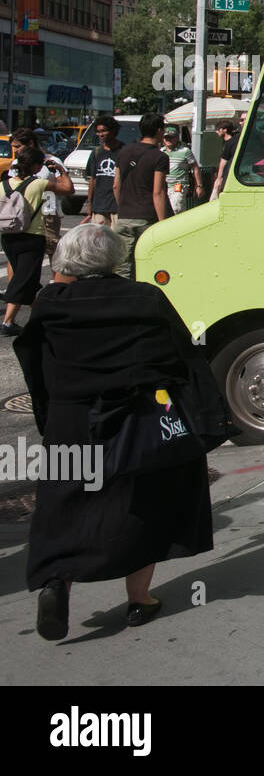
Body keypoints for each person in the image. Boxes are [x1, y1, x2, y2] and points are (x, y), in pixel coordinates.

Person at [15, 224, 216, 639]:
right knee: (144, 505)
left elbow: (36, 363)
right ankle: (139, 601)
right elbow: (178, 356)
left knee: (63, 507)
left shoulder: (51, 303)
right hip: (137, 419)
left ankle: (56, 582)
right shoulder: (145, 298)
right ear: (114, 259)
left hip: (71, 421)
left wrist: (50, 415)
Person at [1, 147, 74, 337]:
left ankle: (39, 318)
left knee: (29, 279)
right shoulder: (39, 184)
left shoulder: (3, 184)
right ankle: (7, 322)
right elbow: (68, 190)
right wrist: (62, 172)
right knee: (23, 280)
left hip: (8, 237)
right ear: (35, 166)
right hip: (32, 238)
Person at [111, 112, 170, 280]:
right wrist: (162, 223)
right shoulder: (160, 157)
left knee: (122, 266)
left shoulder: (123, 152)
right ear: (159, 130)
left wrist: (122, 206)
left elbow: (116, 185)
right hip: (147, 217)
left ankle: (121, 298)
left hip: (124, 216)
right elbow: (158, 191)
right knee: (147, 263)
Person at [7, 128, 67, 268]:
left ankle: (56, 285)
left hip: (48, 214)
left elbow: (65, 187)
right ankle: (15, 288)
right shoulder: (15, 164)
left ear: (30, 143)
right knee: (17, 255)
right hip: (21, 214)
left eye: (18, 146)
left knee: (53, 251)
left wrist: (60, 173)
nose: (15, 150)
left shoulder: (51, 161)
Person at [84, 115, 124, 227]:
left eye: (104, 131)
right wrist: (89, 202)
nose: (100, 134)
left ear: (113, 131)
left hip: (117, 207)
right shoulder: (96, 152)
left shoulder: (124, 151)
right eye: (98, 132)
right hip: (99, 206)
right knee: (99, 241)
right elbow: (93, 179)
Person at [161, 126, 203, 215]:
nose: (168, 140)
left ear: (177, 138)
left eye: (171, 137)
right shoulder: (161, 152)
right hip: (164, 187)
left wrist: (199, 186)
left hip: (178, 186)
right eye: (166, 137)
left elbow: (195, 167)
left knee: (176, 209)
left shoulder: (185, 151)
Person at [209, 119, 239, 198]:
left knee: (214, 198)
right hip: (229, 175)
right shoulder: (233, 141)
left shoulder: (229, 143)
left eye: (218, 129)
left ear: (225, 130)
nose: (216, 132)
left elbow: (223, 163)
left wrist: (219, 179)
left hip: (226, 176)